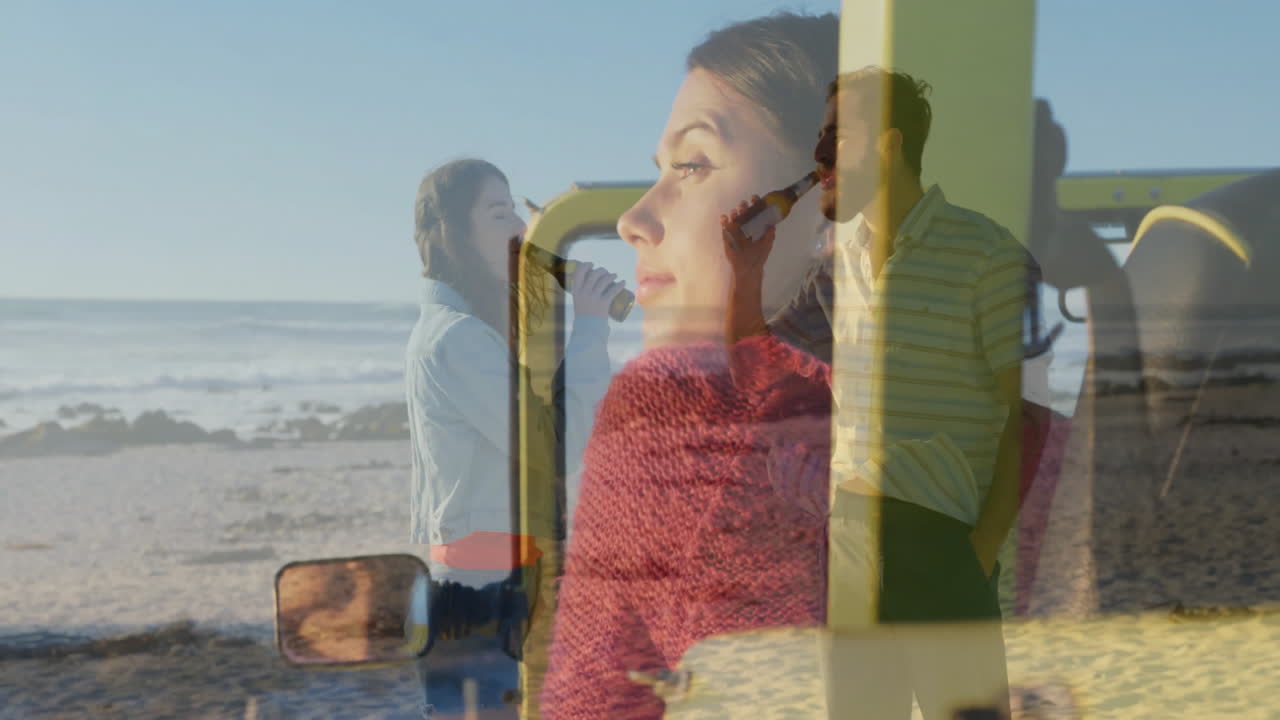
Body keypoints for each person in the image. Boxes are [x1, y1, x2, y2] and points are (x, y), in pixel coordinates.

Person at [540, 12, 838, 719]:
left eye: (694, 165)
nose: (633, 220)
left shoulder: (680, 404)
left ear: (831, 212)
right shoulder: (1011, 431)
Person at [722, 67, 1026, 717]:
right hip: (850, 545)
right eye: (819, 134)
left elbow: (1026, 415)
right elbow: (758, 382)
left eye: (838, 135)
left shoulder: (985, 253)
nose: (820, 155)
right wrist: (744, 275)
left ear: (888, 147)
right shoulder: (837, 267)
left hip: (941, 541)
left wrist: (981, 549)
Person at [407, 158, 624, 718]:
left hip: (492, 572)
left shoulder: (467, 329)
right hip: (484, 586)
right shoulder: (456, 340)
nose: (519, 229)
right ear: (454, 232)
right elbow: (553, 446)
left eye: (516, 212)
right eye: (498, 212)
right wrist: (593, 325)